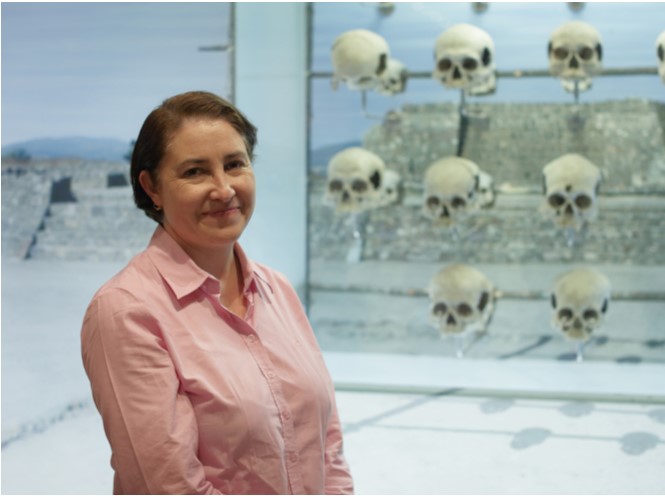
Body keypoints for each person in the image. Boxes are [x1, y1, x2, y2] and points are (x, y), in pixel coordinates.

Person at [81, 91, 354, 495]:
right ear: (152, 187)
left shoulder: (276, 289)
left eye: (234, 164)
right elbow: (170, 486)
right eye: (195, 172)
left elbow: (327, 444)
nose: (224, 189)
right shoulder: (126, 312)